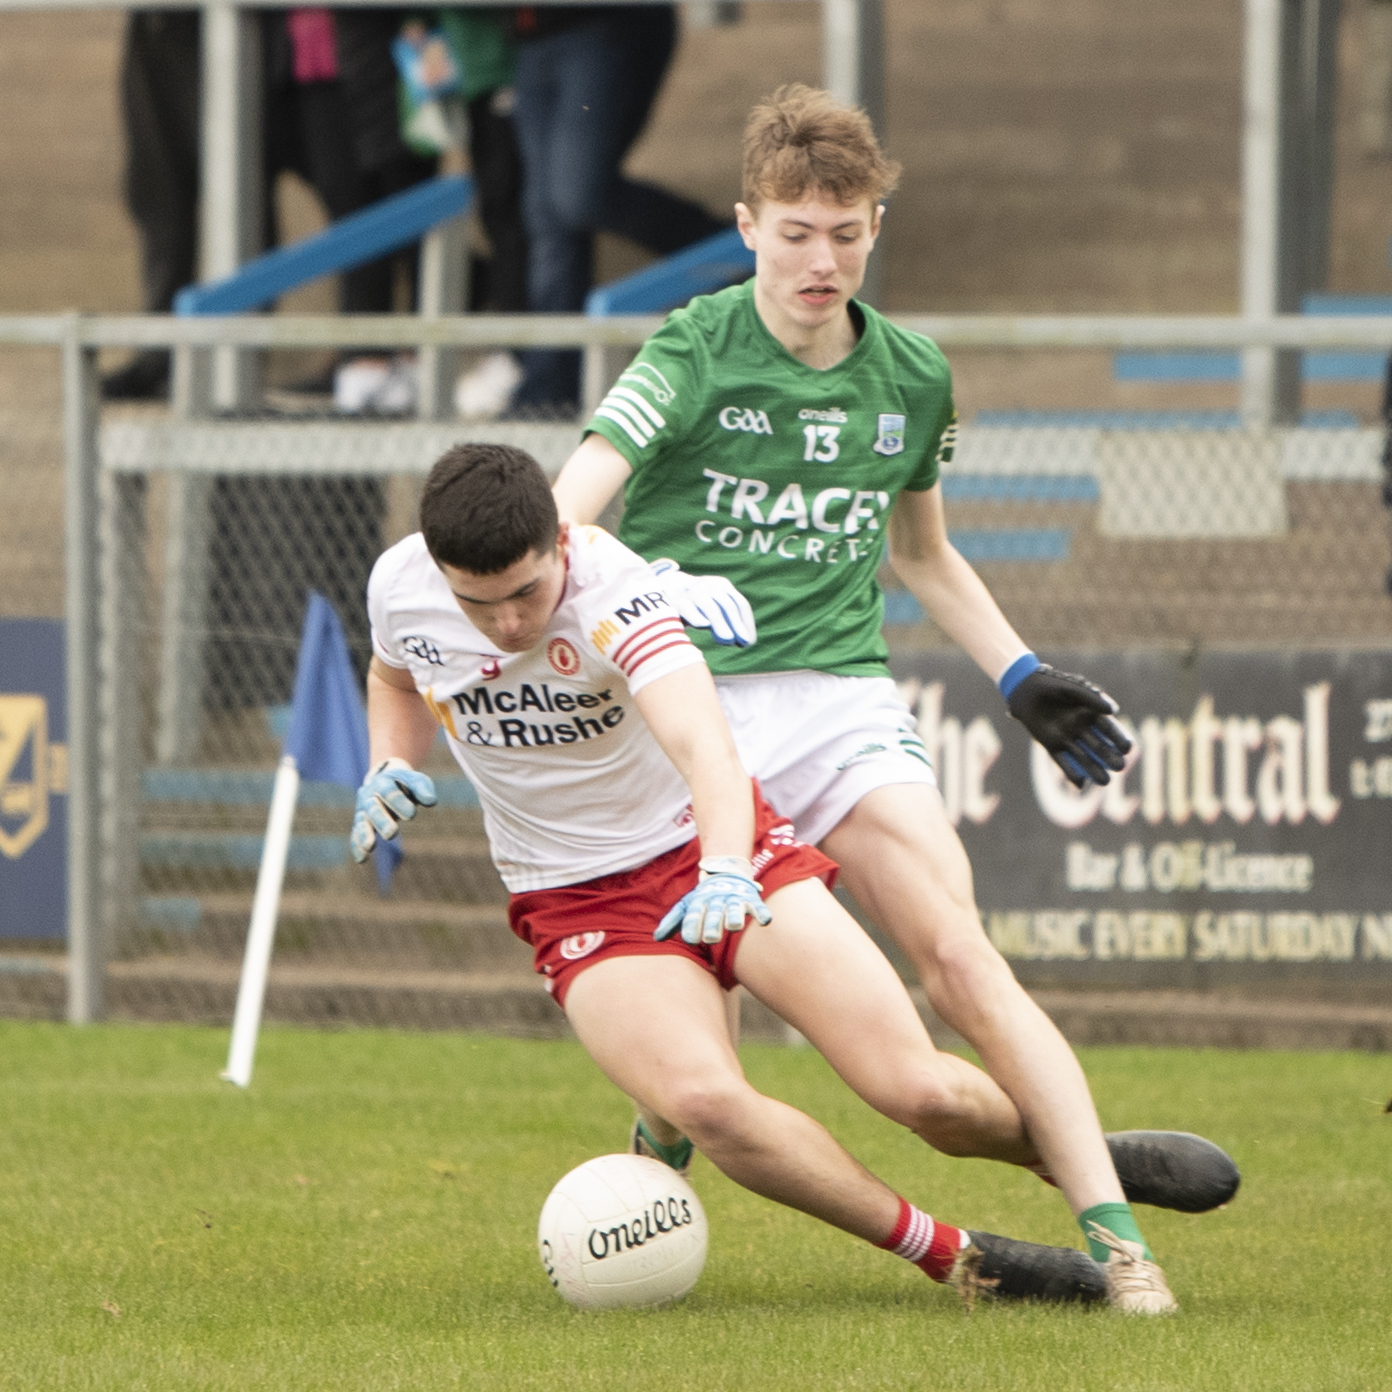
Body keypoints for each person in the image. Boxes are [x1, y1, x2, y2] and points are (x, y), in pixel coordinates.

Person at [551, 86, 1241, 1313]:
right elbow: (570, 512)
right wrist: (659, 588)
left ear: (877, 224)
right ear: (747, 225)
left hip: (842, 705)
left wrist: (1019, 673)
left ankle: (1121, 1246)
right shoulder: (691, 350)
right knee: (742, 984)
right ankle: (687, 1122)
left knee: (961, 962)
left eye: (850, 231)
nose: (824, 258)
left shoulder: (913, 375)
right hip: (696, 710)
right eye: (798, 232)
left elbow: (921, 557)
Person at [348, 441, 1117, 1309]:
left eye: (526, 594)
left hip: (713, 849)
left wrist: (722, 870)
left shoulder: (617, 589)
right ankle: (963, 1258)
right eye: (477, 605)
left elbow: (705, 747)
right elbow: (395, 679)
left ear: (562, 541)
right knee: (709, 1101)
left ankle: (1077, 1153)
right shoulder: (401, 586)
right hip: (573, 897)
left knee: (925, 1091)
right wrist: (387, 762)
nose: (509, 627)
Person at [506, 4, 728, 413]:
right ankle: (549, 389)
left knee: (577, 198)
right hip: (531, 34)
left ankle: (736, 256)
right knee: (546, 217)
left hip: (605, 22)